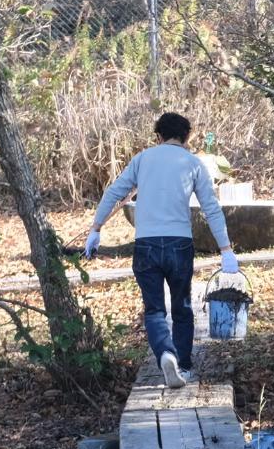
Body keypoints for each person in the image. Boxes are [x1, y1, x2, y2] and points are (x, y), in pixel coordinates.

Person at [85, 112, 240, 388]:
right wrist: (225, 249)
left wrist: (96, 228)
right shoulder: (193, 164)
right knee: (181, 307)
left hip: (146, 245)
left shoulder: (143, 159)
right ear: (187, 137)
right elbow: (211, 209)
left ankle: (165, 354)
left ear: (158, 136)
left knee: (155, 309)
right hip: (180, 244)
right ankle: (184, 365)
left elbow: (113, 192)